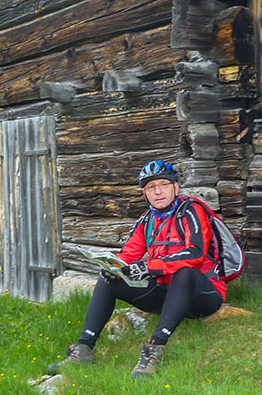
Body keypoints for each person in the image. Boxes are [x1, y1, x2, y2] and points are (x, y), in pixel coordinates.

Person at [48, 160, 226, 379]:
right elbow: (129, 254)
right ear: (145, 193)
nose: (158, 191)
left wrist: (150, 266)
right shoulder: (147, 220)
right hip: (165, 295)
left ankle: (153, 350)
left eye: (164, 184)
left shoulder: (191, 211)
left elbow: (196, 253)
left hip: (201, 295)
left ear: (176, 187)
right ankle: (84, 348)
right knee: (109, 279)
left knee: (185, 273)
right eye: (151, 187)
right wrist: (112, 266)